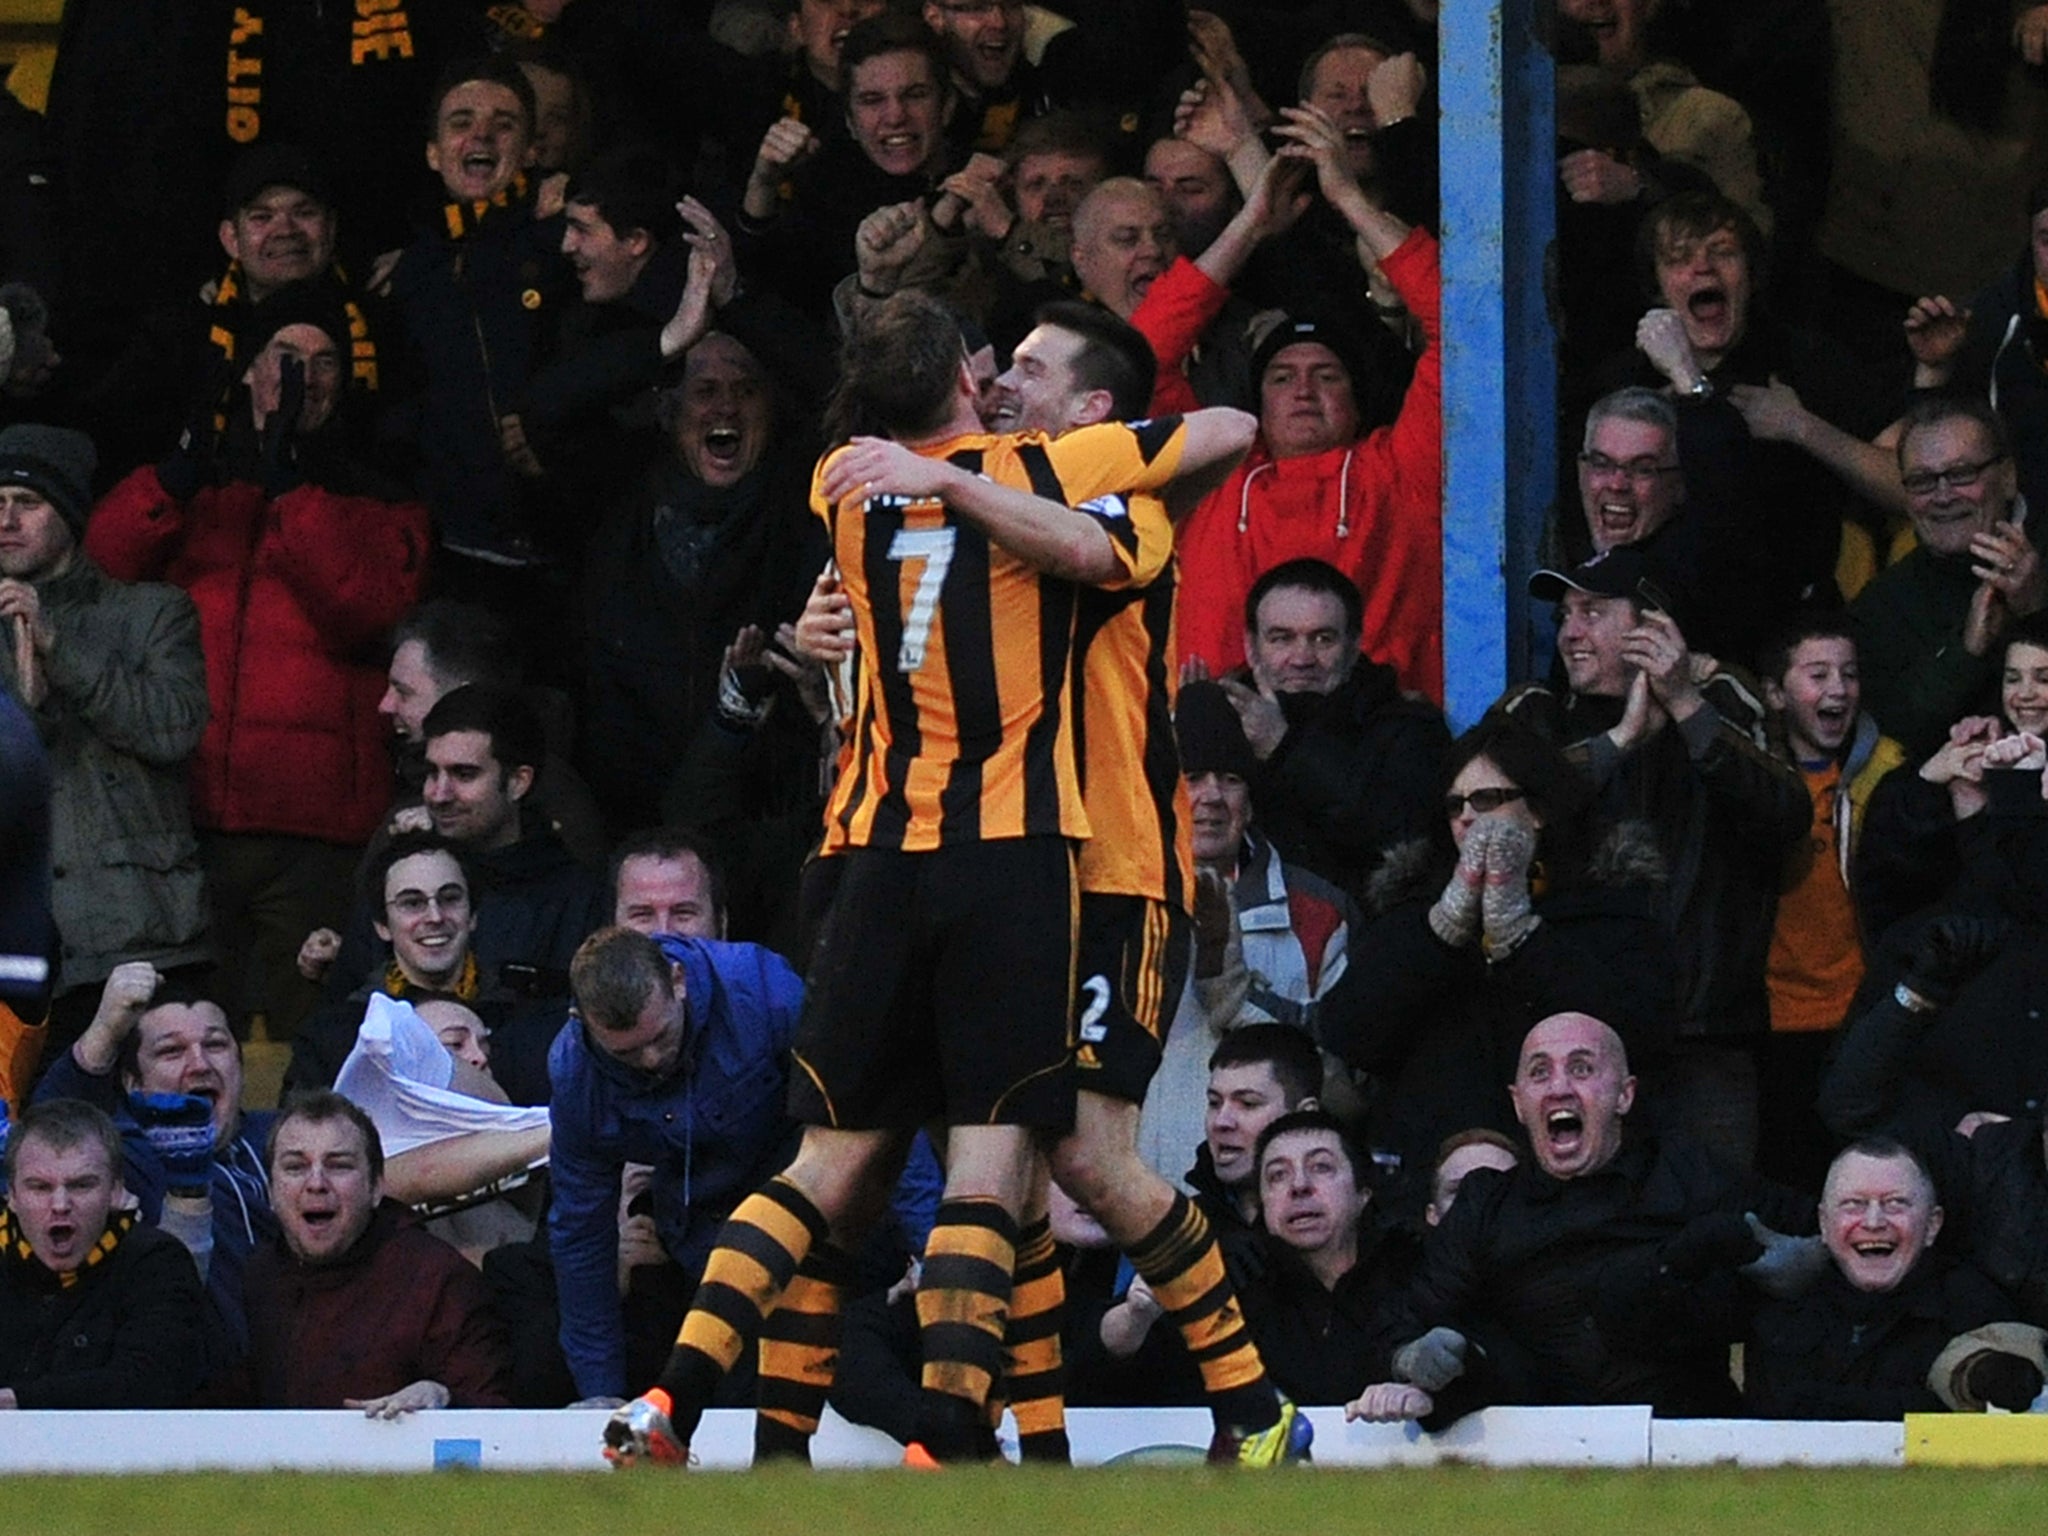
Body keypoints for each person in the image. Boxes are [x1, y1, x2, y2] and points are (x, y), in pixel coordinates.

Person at [605, 291, 1260, 1466]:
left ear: (1096, 406)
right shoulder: (972, 478)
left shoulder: (1102, 497)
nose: (1006, 377)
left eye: (1034, 367)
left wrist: (947, 491)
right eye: (994, 362)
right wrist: (822, 638)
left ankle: (1233, 1414)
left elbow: (1110, 517)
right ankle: (856, 1443)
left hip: (1104, 864)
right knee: (946, 1169)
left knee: (1062, 1161)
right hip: (932, 851)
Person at [87, 283, 430, 1045]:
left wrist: (295, 492)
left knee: (310, 1040)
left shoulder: (375, 491)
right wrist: (174, 476)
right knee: (180, 1039)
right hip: (185, 817)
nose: (304, 377)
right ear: (246, 371)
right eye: (286, 356)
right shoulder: (201, 484)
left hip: (314, 833)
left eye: (325, 361)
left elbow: (365, 610)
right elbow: (101, 574)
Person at [1348, 1012, 1817, 1428]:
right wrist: (1411, 1359)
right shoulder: (1485, 1205)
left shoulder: (1687, 1172)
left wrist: (1798, 1260)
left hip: (1686, 1444)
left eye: (1581, 1068)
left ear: (1624, 1095)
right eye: (1540, 1073)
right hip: (1533, 1455)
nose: (1559, 1087)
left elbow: (1823, 1225)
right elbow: (1402, 1320)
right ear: (1518, 1102)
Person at [1502, 543, 1809, 1171]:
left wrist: (1687, 706)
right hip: (1569, 1040)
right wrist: (1615, 744)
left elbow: (1786, 817)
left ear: (1655, 629)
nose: (1569, 633)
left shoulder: (1723, 696)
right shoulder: (1533, 710)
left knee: (1712, 1230)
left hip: (1703, 1037)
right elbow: (1498, 816)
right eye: (1564, 616)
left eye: (1591, 612)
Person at [1328, 713, 1672, 1197]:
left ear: (1537, 810)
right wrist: (1443, 928)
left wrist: (1520, 936)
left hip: (1573, 1181)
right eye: (1454, 805)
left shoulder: (1606, 903)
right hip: (1435, 1182)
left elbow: (1640, 1029)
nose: (1467, 816)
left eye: (1488, 799)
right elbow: (1348, 1030)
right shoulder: (1412, 909)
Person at [1173, 110, 1442, 698]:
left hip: (1371, 763)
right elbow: (1147, 353)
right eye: (1281, 377)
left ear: (1358, 398)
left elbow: (1464, 324)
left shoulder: (1400, 471)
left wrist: (1346, 196)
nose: (1302, 390)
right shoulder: (1210, 475)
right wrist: (1249, 224)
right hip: (1223, 769)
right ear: (1255, 401)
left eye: (1326, 375)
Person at [0, 423, 210, 1062]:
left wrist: (59, 647)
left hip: (139, 936)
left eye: (26, 503)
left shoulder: (151, 613)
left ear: (68, 513)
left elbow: (174, 727)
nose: (5, 520)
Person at [549, 926, 804, 1406]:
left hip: (810, 1205)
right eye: (625, 1052)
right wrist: (600, 1391)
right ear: (580, 1020)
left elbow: (865, 1115)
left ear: (678, 980)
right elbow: (581, 1236)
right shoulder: (575, 1072)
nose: (650, 1061)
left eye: (661, 1036)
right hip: (696, 1242)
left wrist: (925, 1253)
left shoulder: (765, 993)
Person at [35, 965, 277, 1355]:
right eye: (171, 1051)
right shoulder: (125, 1155)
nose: (199, 1064)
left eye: (215, 1045)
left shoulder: (284, 1136)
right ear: (133, 1084)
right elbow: (46, 1146)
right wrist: (104, 1030)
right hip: (195, 1393)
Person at [233, 1090, 513, 1411]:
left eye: (339, 1166)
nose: (316, 1183)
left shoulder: (437, 1278)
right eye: (296, 1167)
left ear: (376, 1187)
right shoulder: (259, 1277)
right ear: (270, 1191)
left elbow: (495, 1423)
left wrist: (442, 1398)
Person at [1754, 615, 1903, 1188]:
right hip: (1775, 1024)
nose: (1838, 689)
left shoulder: (1888, 772)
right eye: (1818, 674)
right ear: (1774, 693)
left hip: (1862, 1020)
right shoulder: (1754, 783)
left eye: (1849, 673)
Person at [1201, 559, 1448, 900]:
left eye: (1323, 639)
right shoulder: (1219, 722)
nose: (1302, 658)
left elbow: (1400, 834)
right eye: (1281, 638)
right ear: (1251, 645)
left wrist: (1284, 746)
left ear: (1355, 643)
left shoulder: (1408, 727)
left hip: (1362, 932)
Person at [1745, 1139, 2042, 1420]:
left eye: (1896, 1203)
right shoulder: (1785, 1307)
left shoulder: (1976, 1306)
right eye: (1854, 1204)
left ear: (1932, 1225)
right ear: (1824, 1223)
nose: (1874, 1222)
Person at [1850, 394, 2045, 759]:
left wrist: (2036, 612)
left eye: (1960, 475)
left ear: (2007, 477)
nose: (1943, 496)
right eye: (1922, 481)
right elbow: (1901, 732)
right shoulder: (1882, 606)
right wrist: (1965, 650)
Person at [0, 1098, 210, 1409]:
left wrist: (19, 1402)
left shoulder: (157, 1262)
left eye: (81, 1185)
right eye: (40, 1187)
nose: (60, 1204)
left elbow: (149, 1382)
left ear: (115, 1191)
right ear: (12, 1197)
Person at [1236, 1108, 1417, 1407]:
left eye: (1321, 1167)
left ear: (1363, 1193)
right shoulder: (1236, 1287)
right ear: (1262, 1205)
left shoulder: (1415, 1274)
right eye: (1278, 1175)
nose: (1299, 1186)